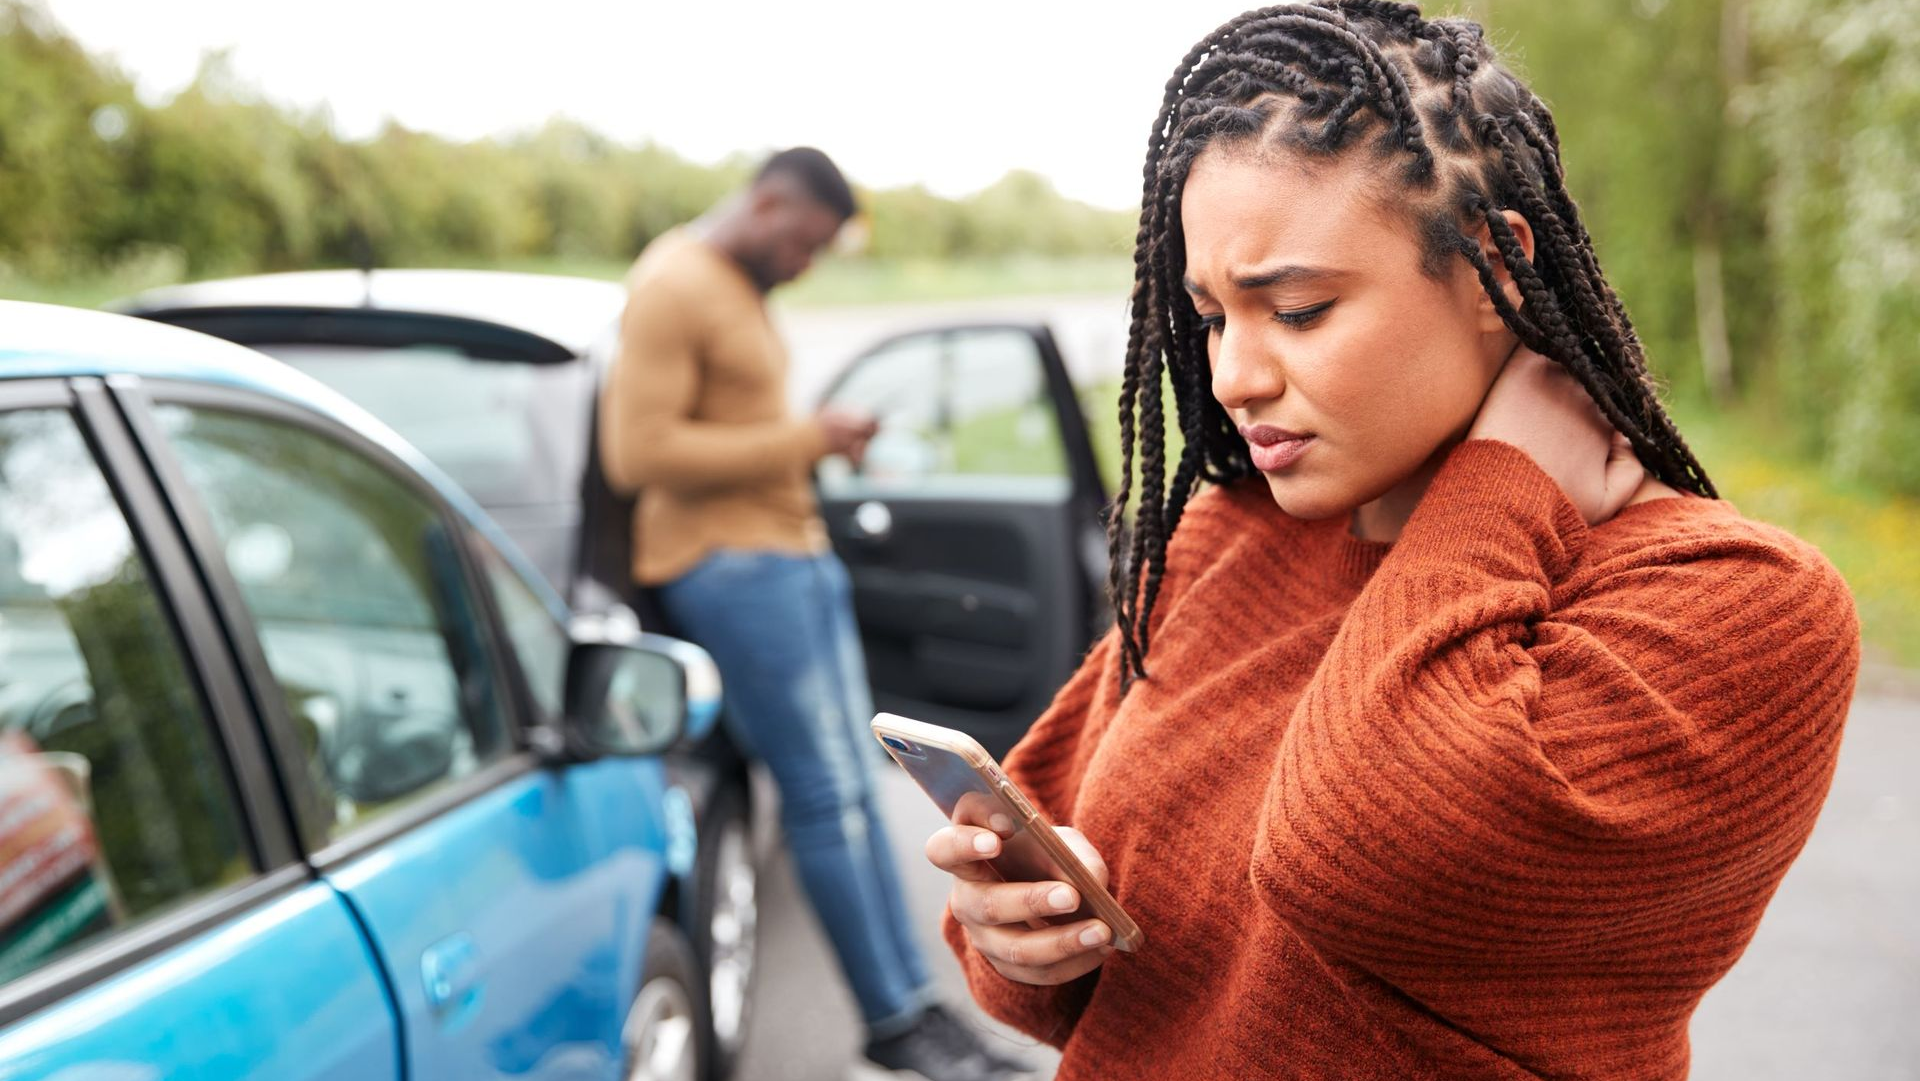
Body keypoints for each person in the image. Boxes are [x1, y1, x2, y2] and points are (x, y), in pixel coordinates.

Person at [924, 4, 1860, 1079]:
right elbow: (1087, 979)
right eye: (1215, 316)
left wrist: (1501, 489)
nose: (1233, 378)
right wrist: (1026, 944)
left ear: (1493, 271)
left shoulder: (1739, 605)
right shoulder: (1229, 536)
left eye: (1301, 310)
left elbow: (1359, 859)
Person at [599, 147, 1030, 1081]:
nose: (805, 264)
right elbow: (639, 451)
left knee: (861, 798)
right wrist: (809, 437)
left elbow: (726, 429)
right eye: (801, 243)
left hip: (791, 558)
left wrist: (816, 451)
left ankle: (921, 1011)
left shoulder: (735, 284)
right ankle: (894, 1028)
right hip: (733, 571)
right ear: (766, 204)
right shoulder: (675, 282)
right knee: (828, 801)